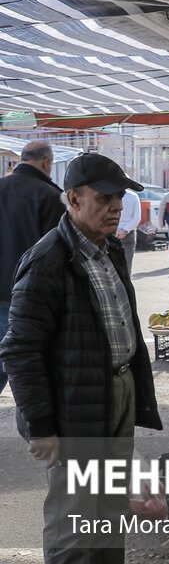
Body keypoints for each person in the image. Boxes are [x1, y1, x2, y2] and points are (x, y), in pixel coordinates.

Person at [1, 152, 161, 564]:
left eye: (119, 197)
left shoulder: (109, 249)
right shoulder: (48, 260)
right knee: (73, 516)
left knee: (109, 505)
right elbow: (20, 349)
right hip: (74, 409)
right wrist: (42, 426)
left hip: (115, 391)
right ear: (72, 199)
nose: (116, 207)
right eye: (104, 198)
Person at [0, 141, 64, 394]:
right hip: (26, 293)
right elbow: (54, 253)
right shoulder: (50, 196)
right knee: (25, 366)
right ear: (46, 162)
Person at [115, 188, 142, 273]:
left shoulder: (111, 194)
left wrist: (116, 229)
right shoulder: (134, 196)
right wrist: (125, 230)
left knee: (113, 263)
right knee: (127, 264)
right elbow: (137, 218)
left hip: (113, 231)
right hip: (129, 231)